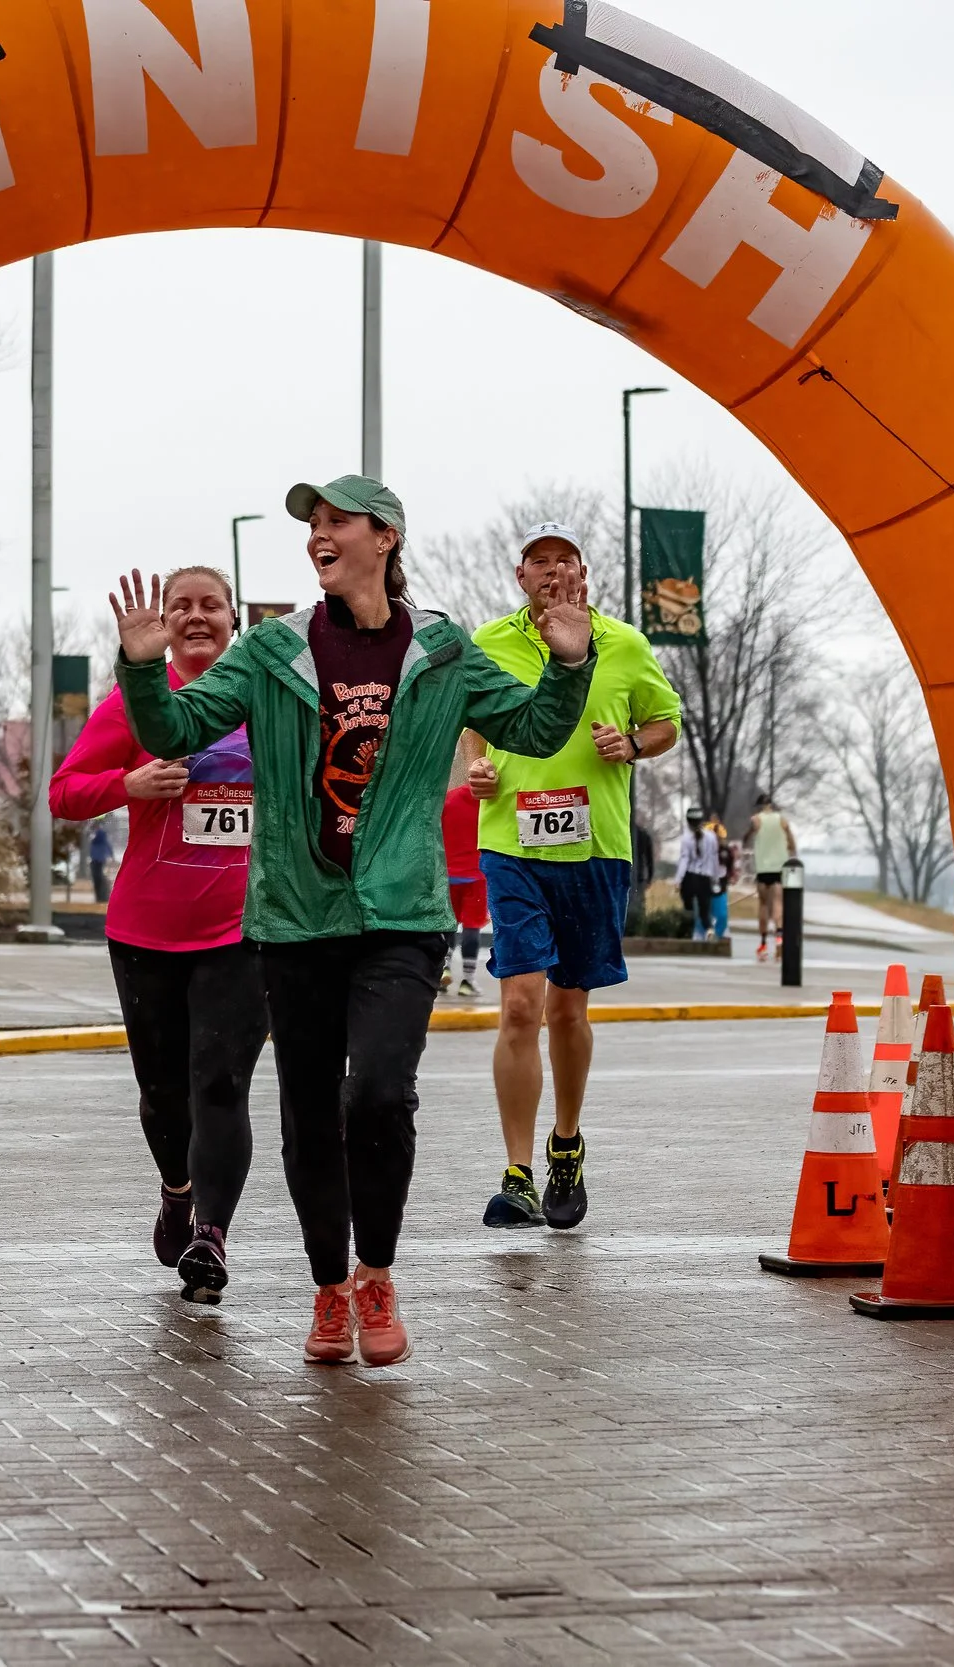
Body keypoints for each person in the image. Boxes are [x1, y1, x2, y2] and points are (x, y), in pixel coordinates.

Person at [110, 475, 594, 1368]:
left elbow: (529, 729)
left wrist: (569, 663)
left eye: (337, 522)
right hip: (296, 917)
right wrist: (143, 666)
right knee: (306, 1113)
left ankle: (377, 1274)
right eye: (314, 525)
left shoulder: (441, 651)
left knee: (378, 1092)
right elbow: (173, 725)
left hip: (401, 911)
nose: (320, 536)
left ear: (386, 537)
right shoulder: (271, 651)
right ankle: (329, 1290)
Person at [49, 567, 266, 1304]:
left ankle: (211, 1232)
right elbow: (63, 792)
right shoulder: (135, 702)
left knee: (220, 1081)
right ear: (166, 621)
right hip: (147, 931)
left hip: (246, 933)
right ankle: (177, 1188)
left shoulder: (266, 702)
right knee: (162, 1091)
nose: (197, 616)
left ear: (234, 619)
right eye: (183, 606)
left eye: (212, 604)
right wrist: (128, 785)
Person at [463, 522, 680, 1232]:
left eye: (566, 560)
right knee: (521, 1003)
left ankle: (566, 1142)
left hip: (595, 848)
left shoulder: (624, 643)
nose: (553, 570)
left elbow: (666, 721)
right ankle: (518, 1172)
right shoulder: (489, 642)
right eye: (539, 561)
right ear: (519, 576)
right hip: (511, 841)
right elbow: (471, 715)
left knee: (567, 1010)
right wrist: (478, 763)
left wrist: (632, 744)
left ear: (584, 574)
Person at [442, 772, 486, 999]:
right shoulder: (489, 802)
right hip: (476, 875)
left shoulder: (448, 799)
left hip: (448, 873)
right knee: (472, 927)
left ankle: (444, 967)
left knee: (447, 924)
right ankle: (467, 981)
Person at [746, 793, 796, 962]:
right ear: (772, 806)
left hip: (763, 869)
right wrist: (790, 853)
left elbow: (747, 837)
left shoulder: (756, 820)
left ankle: (763, 946)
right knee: (778, 905)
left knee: (763, 906)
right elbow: (791, 843)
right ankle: (779, 940)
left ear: (759, 806)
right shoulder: (782, 820)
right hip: (779, 869)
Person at [674, 807, 719, 940]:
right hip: (705, 877)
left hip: (690, 876)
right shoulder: (711, 837)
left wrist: (678, 879)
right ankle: (709, 930)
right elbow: (714, 859)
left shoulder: (686, 838)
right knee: (705, 909)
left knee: (688, 908)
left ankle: (688, 932)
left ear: (688, 821)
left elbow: (684, 859)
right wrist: (715, 878)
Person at [706, 814, 736, 940]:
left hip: (721, 884)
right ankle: (704, 935)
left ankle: (719, 935)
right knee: (706, 912)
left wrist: (732, 876)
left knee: (722, 914)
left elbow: (730, 866)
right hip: (705, 883)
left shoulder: (726, 851)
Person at [87, 818, 116, 903]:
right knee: (97, 878)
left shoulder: (99, 833)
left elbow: (104, 843)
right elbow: (107, 844)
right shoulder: (96, 833)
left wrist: (111, 855)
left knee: (98, 877)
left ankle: (101, 897)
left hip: (98, 859)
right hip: (96, 858)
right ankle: (99, 897)